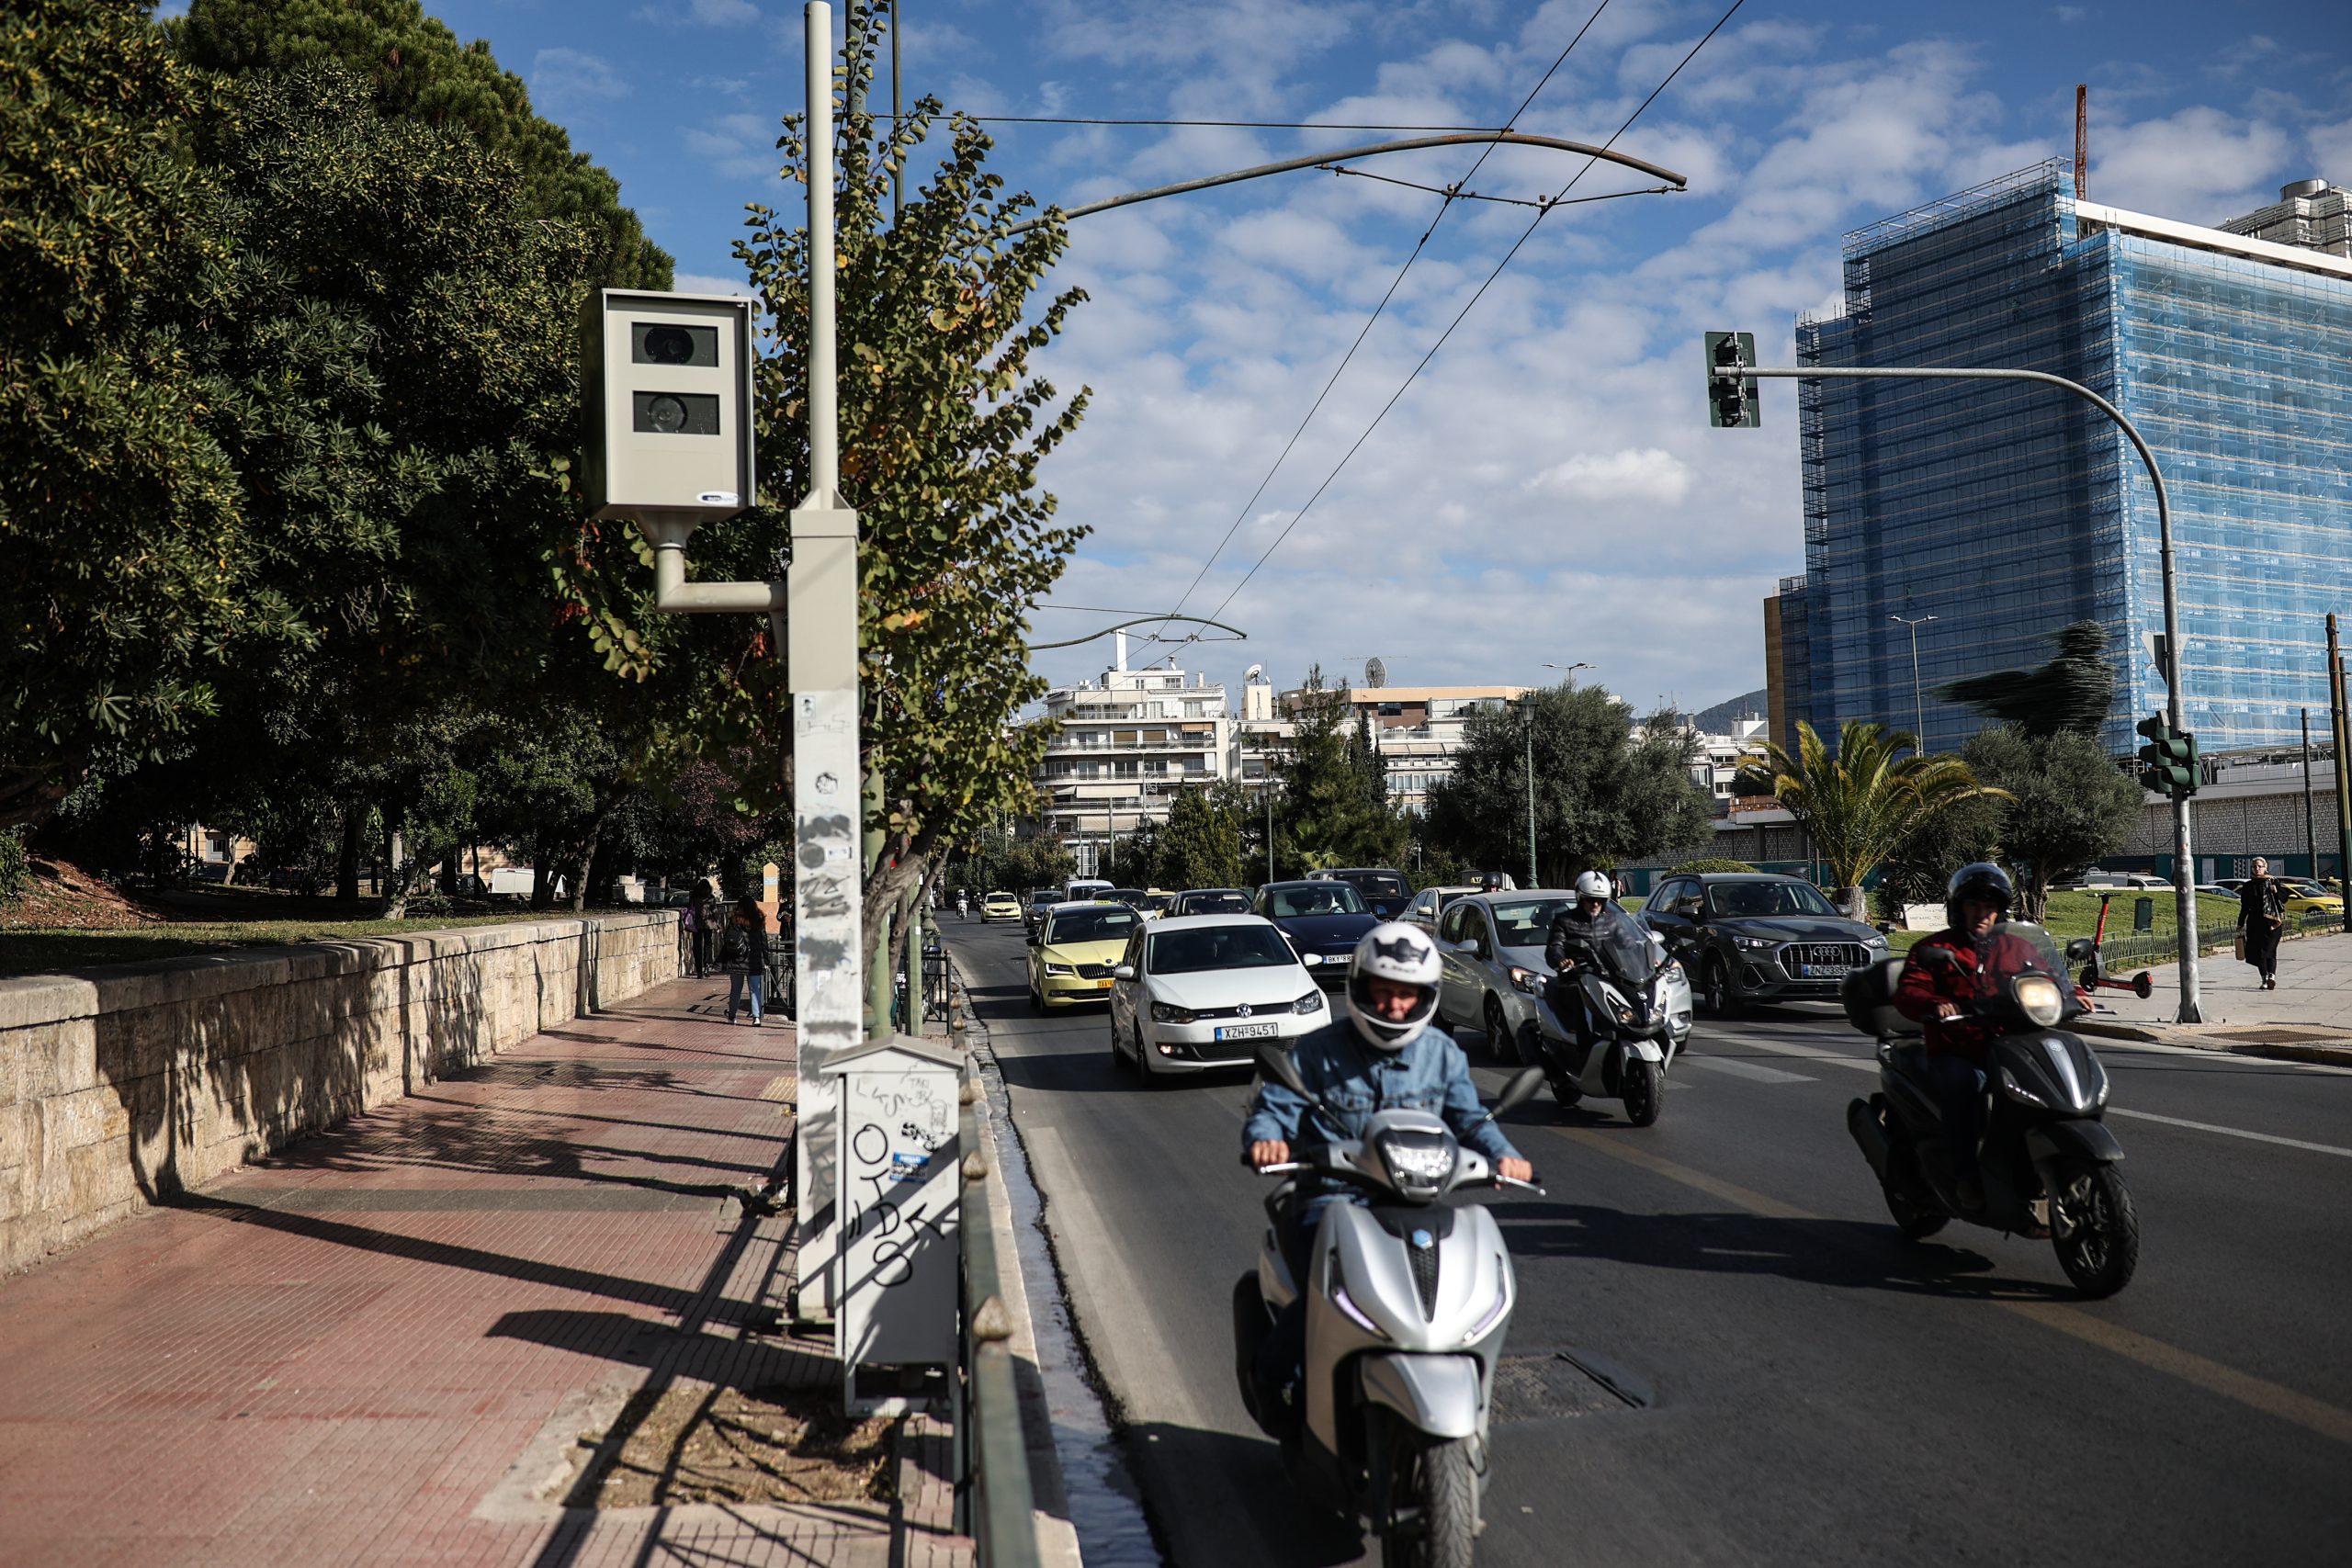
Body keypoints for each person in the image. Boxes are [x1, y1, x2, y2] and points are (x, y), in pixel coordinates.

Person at [1241, 921, 1533, 1435]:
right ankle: (1275, 1380)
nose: (1395, 1006)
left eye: (1407, 995)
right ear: (1361, 989)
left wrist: (1506, 1157)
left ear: (1426, 997)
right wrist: (1267, 1140)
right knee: (1327, 1294)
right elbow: (1275, 1109)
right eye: (1383, 992)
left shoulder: (1441, 1054)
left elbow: (1470, 1121)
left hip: (1419, 1200)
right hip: (1331, 1199)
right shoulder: (1318, 1051)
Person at [1891, 863, 2051, 1212]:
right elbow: (1910, 991)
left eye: (1989, 908)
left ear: (2001, 911)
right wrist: (1936, 1003)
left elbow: (2045, 977)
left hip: (2011, 1045)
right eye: (1974, 906)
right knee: (1965, 1087)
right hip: (1958, 1048)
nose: (1982, 914)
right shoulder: (1933, 949)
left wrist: (2069, 996)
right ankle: (1966, 1177)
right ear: (1959, 908)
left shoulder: (2017, 949)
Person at [1543, 869, 1645, 1053]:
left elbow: (1629, 945)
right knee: (1579, 1000)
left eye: (1600, 900)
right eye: (1590, 899)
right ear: (1580, 898)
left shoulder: (1613, 921)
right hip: (1579, 978)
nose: (1595, 904)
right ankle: (1584, 1050)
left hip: (1610, 978)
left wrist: (1647, 959)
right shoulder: (1565, 921)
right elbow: (1554, 948)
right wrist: (1562, 961)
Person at [2236, 857, 2286, 991]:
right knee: (2258, 952)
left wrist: (2276, 891)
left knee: (2269, 950)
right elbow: (2245, 907)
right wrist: (2240, 923)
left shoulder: (2273, 881)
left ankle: (2271, 976)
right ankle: (2265, 978)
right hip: (2255, 923)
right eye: (2254, 867)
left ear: (2265, 867)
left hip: (2272, 923)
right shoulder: (2248, 886)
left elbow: (2284, 899)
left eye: (2259, 866)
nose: (2257, 869)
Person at [721, 897, 767, 1026]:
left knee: (736, 989)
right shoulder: (759, 920)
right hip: (754, 959)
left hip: (737, 958)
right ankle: (756, 1017)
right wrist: (766, 959)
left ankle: (732, 1016)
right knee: (754, 989)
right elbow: (764, 940)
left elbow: (727, 938)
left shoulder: (735, 919)